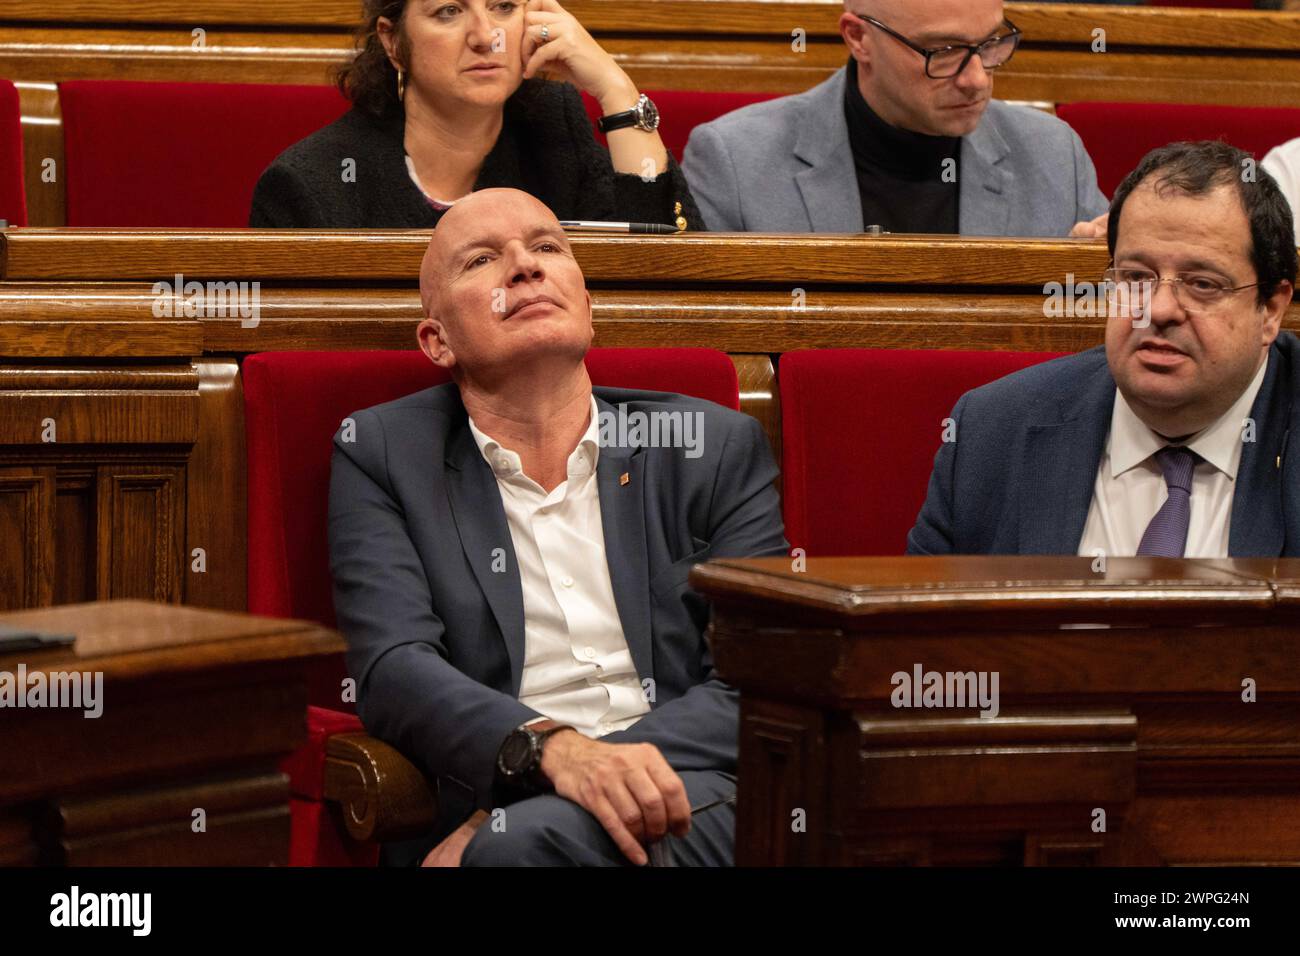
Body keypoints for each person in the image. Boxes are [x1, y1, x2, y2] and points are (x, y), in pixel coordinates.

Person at [328, 187, 786, 866]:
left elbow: (760, 677)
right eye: (482, 260)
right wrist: (546, 753)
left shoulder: (709, 446)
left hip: (695, 790)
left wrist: (571, 773)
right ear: (437, 340)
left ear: (587, 305)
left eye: (547, 247)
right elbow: (395, 670)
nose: (525, 266)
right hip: (506, 807)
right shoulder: (383, 452)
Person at [908, 140, 1298, 557]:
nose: (1158, 310)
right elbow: (923, 620)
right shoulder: (993, 432)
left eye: (1202, 284)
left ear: (1271, 309)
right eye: (1136, 277)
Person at [250, 0, 697, 230]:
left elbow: (668, 275)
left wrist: (614, 89)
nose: (487, 37)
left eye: (503, 6)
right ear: (392, 42)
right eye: (449, 11)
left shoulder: (554, 129)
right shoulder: (310, 185)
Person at [681, 0, 1108, 237]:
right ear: (859, 38)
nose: (977, 80)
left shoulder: (1054, 153)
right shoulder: (734, 161)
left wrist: (1098, 283)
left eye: (991, 43)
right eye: (944, 51)